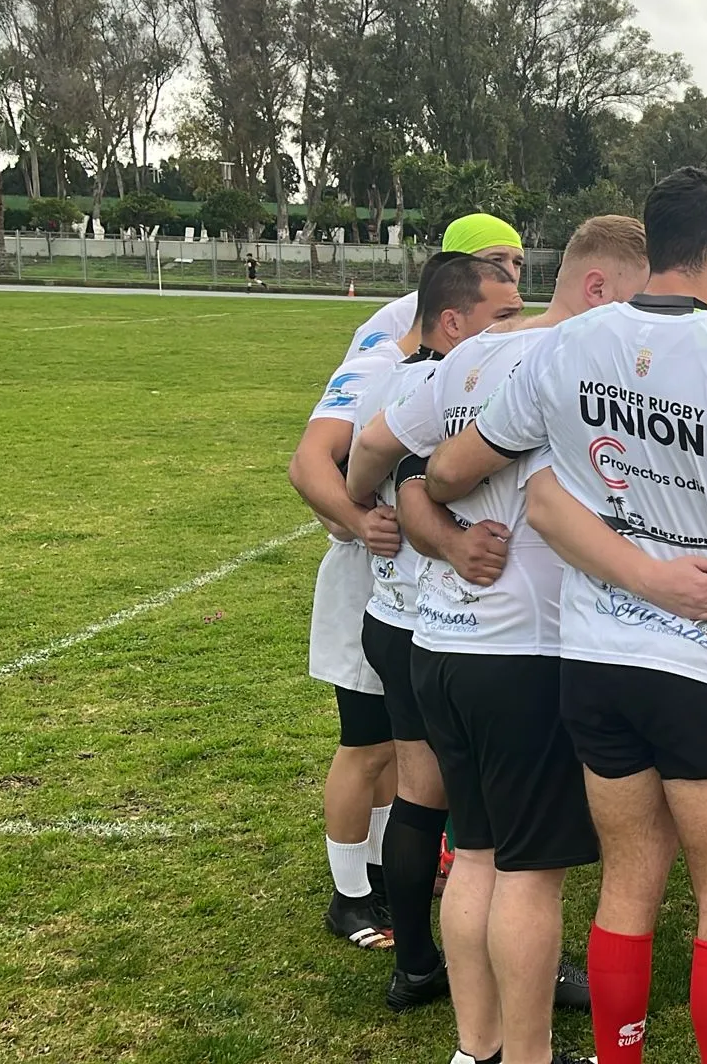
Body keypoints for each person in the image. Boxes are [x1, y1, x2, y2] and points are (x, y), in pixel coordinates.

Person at [431, 165, 707, 1064]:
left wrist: (424, 502)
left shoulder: (563, 347)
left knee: (628, 886)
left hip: (598, 666)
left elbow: (465, 466)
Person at [405, 227, 648, 1064]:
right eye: (634, 299)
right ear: (594, 289)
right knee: (531, 872)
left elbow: (391, 459)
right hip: (520, 651)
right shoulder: (567, 361)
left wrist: (434, 531)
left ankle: (478, 1051)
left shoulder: (470, 355)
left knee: (472, 852)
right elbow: (529, 500)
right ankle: (530, 1059)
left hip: (440, 640)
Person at [345, 249, 523, 1012]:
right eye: (505, 315)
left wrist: (361, 510)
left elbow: (363, 459)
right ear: (456, 321)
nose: (519, 329)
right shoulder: (455, 383)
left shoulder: (399, 380)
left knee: (429, 798)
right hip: (434, 626)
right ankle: (498, 966)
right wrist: (393, 523)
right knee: (471, 810)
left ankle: (418, 963)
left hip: (394, 619)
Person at [289, 329, 404, 953]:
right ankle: (348, 895)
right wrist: (354, 521)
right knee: (363, 745)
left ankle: (379, 872)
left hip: (407, 594)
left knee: (391, 747)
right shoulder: (373, 367)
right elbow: (309, 465)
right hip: (363, 587)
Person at [343, 213, 527, 362]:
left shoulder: (509, 318)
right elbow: (354, 392)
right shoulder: (399, 318)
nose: (511, 272)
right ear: (456, 263)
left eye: (517, 263)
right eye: (496, 260)